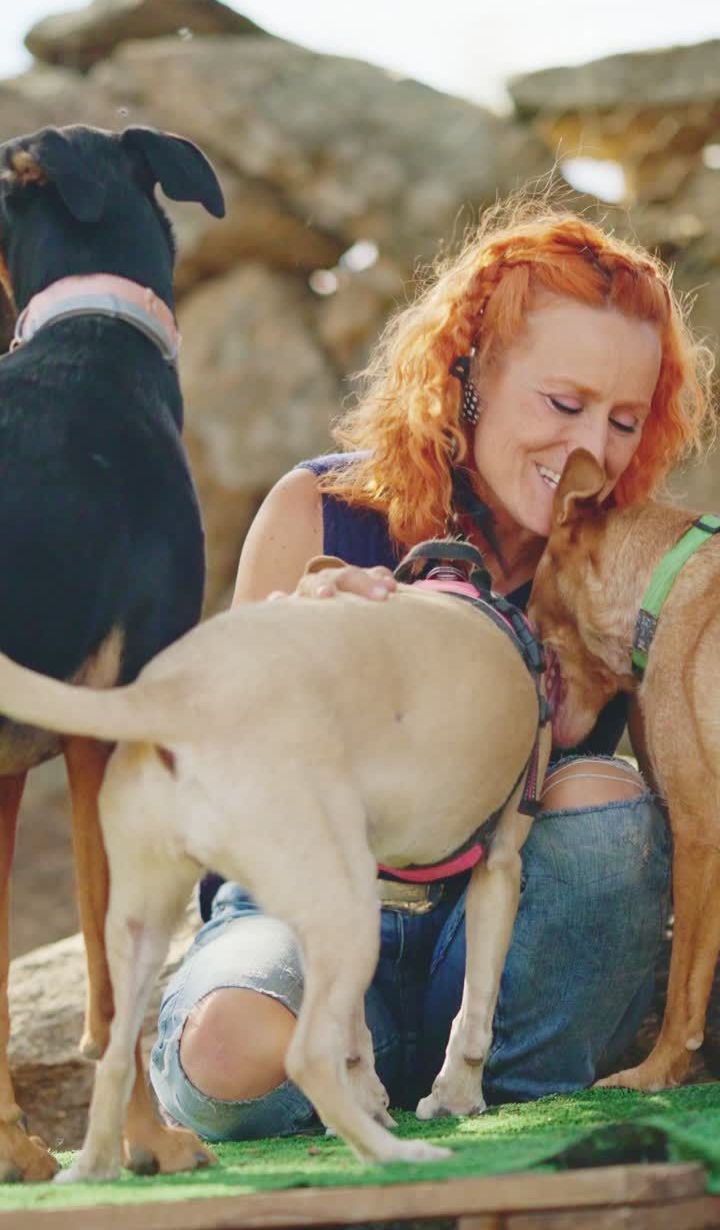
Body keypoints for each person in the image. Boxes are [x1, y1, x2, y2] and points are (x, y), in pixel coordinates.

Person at [150, 198, 714, 1141]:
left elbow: (673, 818)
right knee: (227, 1054)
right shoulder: (320, 511)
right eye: (564, 404)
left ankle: (510, 1114)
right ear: (470, 374)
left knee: (604, 802)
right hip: (309, 921)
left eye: (625, 420)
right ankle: (363, 1078)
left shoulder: (627, 574)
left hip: (508, 964)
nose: (593, 449)